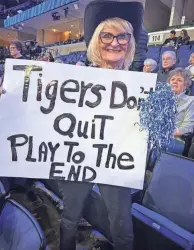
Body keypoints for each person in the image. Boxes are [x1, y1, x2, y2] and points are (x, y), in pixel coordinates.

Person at [57, 1, 143, 250]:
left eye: (122, 36)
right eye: (107, 34)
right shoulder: (75, 80)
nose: (114, 42)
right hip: (78, 156)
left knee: (122, 225)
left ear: (130, 41)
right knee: (70, 216)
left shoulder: (140, 86)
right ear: (96, 39)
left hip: (117, 160)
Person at [168, 68, 194, 136]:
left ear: (185, 85)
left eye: (179, 80)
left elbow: (188, 127)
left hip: (175, 139)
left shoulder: (191, 101)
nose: (175, 82)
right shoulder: (159, 99)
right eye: (172, 79)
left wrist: (167, 133)